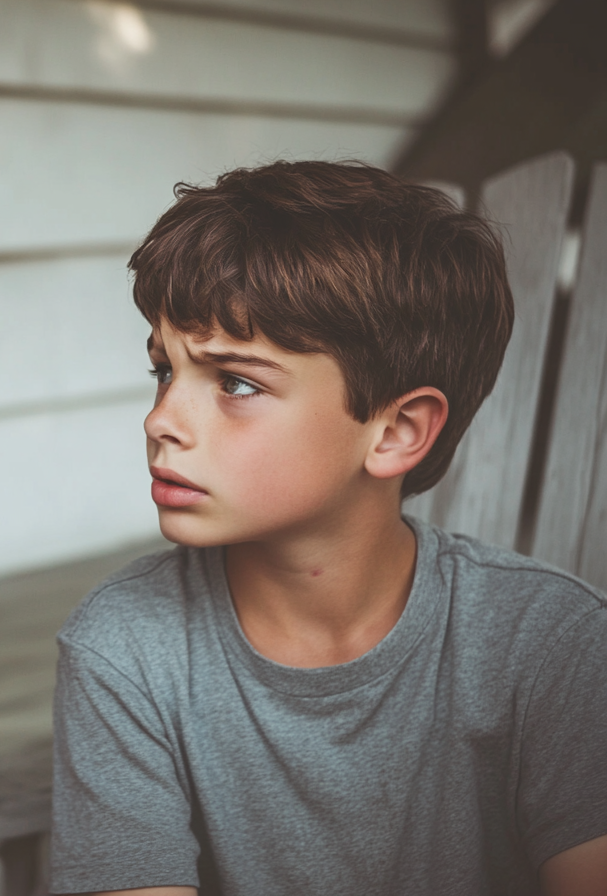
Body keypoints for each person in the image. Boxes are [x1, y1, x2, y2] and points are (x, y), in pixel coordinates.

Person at [49, 161, 607, 895]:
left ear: (396, 431)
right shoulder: (124, 649)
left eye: (236, 382)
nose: (161, 421)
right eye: (164, 371)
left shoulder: (549, 644)